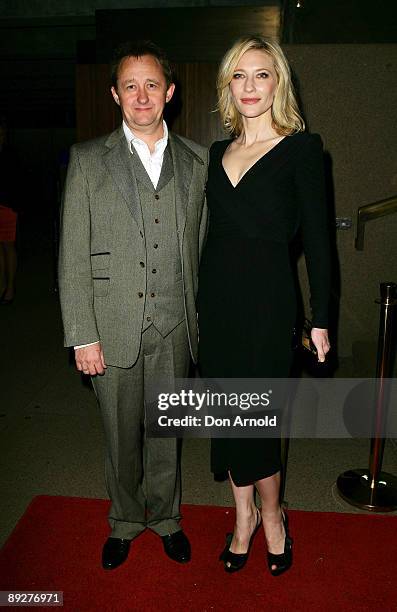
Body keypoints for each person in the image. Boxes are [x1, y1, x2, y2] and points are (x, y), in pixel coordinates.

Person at [58, 40, 208, 570]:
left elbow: (205, 250)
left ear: (169, 92)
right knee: (121, 437)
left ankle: (166, 518)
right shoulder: (86, 160)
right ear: (115, 95)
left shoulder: (198, 161)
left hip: (175, 324)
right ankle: (124, 520)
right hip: (112, 325)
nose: (141, 95)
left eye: (151, 85)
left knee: (167, 433)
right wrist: (83, 334)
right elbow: (72, 254)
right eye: (130, 86)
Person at [197, 35, 331, 576]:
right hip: (219, 304)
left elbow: (319, 244)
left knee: (258, 419)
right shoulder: (215, 153)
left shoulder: (303, 149)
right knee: (228, 419)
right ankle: (242, 517)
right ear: (228, 85)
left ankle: (274, 517)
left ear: (279, 84)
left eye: (262, 74)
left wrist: (321, 317)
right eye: (239, 75)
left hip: (270, 304)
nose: (250, 86)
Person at [0, 119, 18, 304]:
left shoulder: (10, 154)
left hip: (7, 206)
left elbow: (15, 181)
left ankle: (10, 286)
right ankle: (3, 283)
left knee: (8, 245)